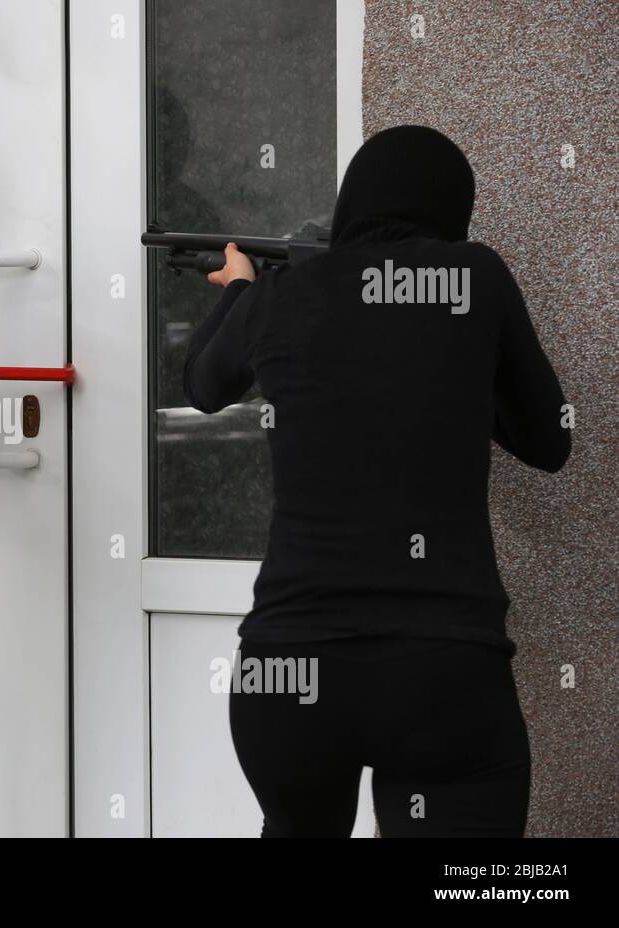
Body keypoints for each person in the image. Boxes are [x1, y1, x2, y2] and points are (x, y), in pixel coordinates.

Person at [183, 125, 570, 837]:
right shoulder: (474, 278)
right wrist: (449, 378)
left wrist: (240, 289)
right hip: (443, 675)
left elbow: (202, 384)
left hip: (287, 675)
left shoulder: (281, 294)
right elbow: (550, 441)